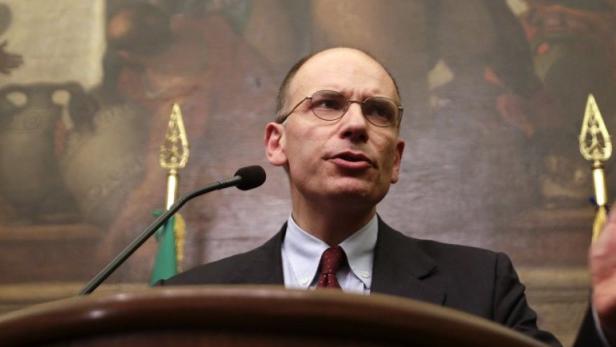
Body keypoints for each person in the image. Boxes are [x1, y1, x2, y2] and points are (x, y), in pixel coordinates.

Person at [164, 47, 616, 346]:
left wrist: (604, 323)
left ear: (395, 159)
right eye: (328, 104)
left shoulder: (482, 285)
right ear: (276, 143)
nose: (356, 125)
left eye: (378, 111)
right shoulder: (186, 303)